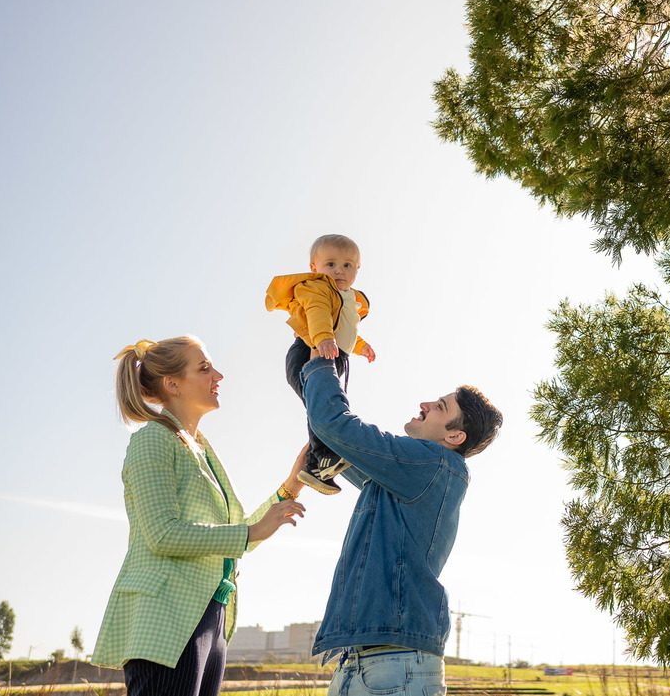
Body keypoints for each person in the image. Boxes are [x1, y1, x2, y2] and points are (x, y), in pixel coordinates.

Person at [92, 336, 307, 696]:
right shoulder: (152, 440)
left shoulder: (201, 450)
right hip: (168, 619)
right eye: (204, 368)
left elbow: (233, 536)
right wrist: (251, 532)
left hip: (212, 616)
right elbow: (164, 533)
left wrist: (291, 484)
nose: (218, 375)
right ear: (172, 384)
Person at [299, 352, 502, 696]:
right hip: (369, 662)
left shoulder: (431, 462)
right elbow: (336, 439)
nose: (424, 404)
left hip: (395, 666)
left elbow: (335, 425)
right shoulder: (410, 474)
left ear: (455, 437)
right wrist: (308, 375)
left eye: (439, 406)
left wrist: (322, 360)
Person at [265, 233, 376, 495]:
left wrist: (360, 347)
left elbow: (344, 329)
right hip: (310, 351)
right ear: (314, 268)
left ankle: (317, 466)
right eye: (330, 265)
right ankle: (323, 457)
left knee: (326, 407)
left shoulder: (347, 297)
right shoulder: (318, 287)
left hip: (332, 352)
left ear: (357, 269)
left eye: (347, 265)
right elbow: (317, 312)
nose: (339, 270)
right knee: (325, 407)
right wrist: (323, 338)